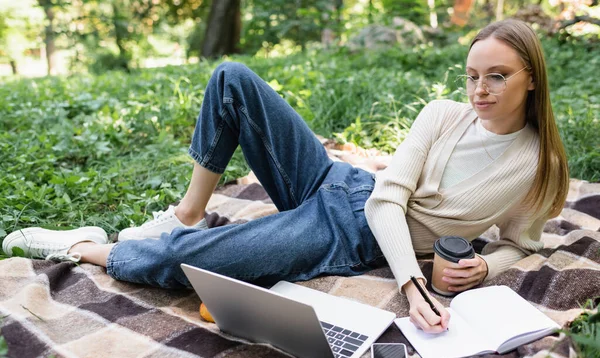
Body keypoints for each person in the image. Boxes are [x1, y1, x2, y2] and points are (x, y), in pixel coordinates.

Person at [2, 19, 569, 335]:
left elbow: (520, 243)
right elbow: (386, 200)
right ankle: (186, 213)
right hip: (348, 191)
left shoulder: (536, 167)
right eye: (472, 75)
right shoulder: (444, 113)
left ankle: (84, 248)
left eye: (497, 76)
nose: (479, 91)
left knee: (207, 266)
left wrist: (482, 266)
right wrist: (410, 283)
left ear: (532, 80)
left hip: (346, 234)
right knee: (231, 78)